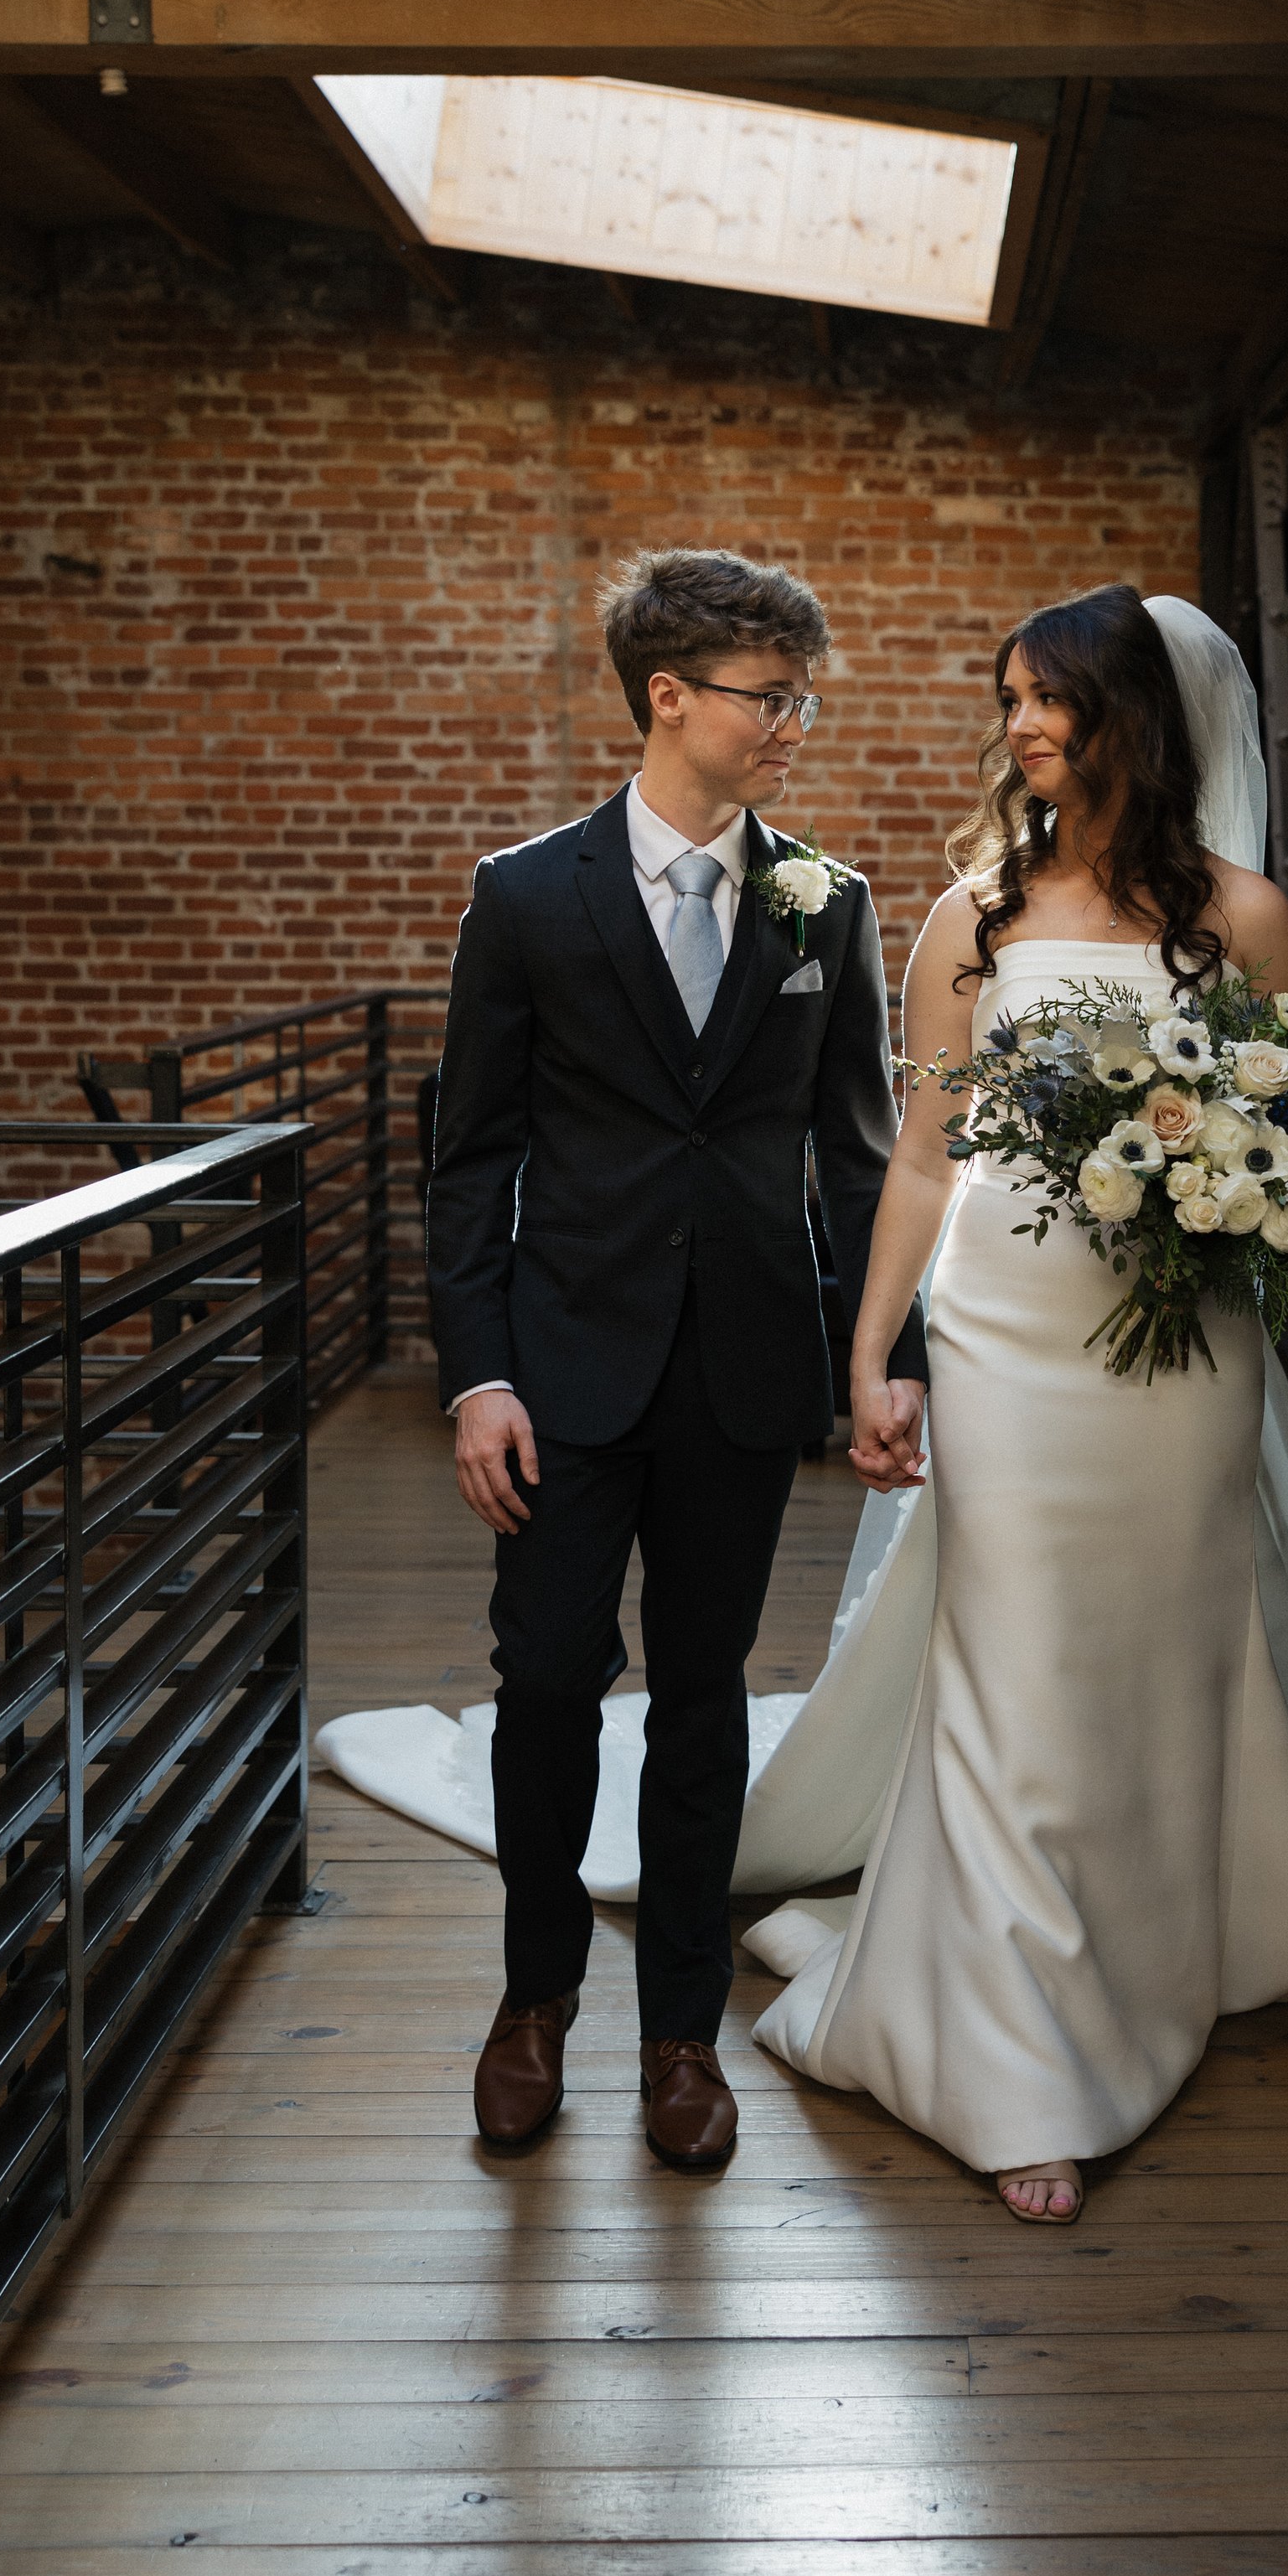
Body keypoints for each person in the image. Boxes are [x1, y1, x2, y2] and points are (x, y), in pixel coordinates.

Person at [742, 586, 1288, 2222]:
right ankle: (1006, 2058)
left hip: (1183, 1346)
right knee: (1010, 1658)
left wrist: (1254, 1189)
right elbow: (920, 1157)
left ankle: (1170, 1948)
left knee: (1152, 1655)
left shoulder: (1248, 920)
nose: (1015, 728)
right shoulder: (964, 921)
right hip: (1000, 1335)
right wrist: (873, 1359)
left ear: (1123, 714)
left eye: (1041, 700)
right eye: (1005, 701)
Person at [425, 546, 925, 2165]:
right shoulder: (525, 896)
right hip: (558, 1370)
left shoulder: (823, 902)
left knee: (706, 1699)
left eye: (801, 697)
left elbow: (858, 1156)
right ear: (669, 698)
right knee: (551, 1683)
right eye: (768, 699)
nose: (796, 724)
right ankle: (531, 2004)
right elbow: (469, 1155)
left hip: (740, 1374)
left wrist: (881, 1353)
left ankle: (681, 2038)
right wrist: (477, 1372)